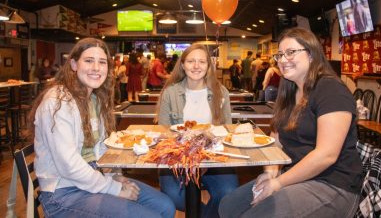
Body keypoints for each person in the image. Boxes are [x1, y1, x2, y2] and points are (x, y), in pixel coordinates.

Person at [219, 28, 363, 218]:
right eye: (280, 54)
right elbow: (276, 139)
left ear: (311, 54)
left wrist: (278, 183)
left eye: (291, 52)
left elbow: (326, 155)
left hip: (333, 184)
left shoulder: (331, 89)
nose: (283, 59)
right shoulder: (289, 91)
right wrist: (271, 172)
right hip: (295, 177)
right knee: (228, 206)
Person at [29, 38, 175, 218]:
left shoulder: (94, 99)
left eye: (102, 62)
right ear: (74, 64)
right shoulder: (57, 102)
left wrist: (115, 176)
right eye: (89, 60)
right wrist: (113, 188)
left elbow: (100, 149)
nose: (96, 68)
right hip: (63, 193)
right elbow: (69, 166)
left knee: (166, 206)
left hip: (92, 179)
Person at [156, 44, 239, 218]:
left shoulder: (221, 91)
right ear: (182, 64)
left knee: (229, 193)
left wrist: (203, 163)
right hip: (177, 159)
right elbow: (164, 133)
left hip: (213, 158)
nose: (196, 66)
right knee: (175, 197)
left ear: (208, 66)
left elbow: (227, 131)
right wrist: (190, 161)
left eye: (202, 61)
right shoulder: (169, 93)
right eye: (191, 61)